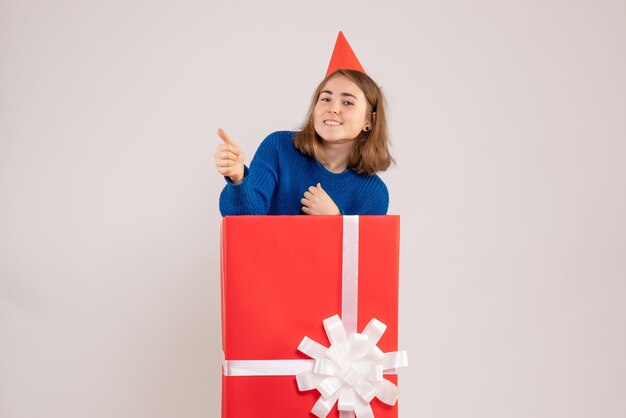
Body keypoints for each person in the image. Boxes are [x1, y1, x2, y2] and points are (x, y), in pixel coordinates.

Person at [215, 33, 393, 216]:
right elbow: (243, 220)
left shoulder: (374, 194)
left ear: (369, 121)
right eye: (325, 98)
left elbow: (366, 245)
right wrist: (238, 179)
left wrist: (335, 220)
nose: (333, 108)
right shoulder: (278, 147)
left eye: (347, 102)